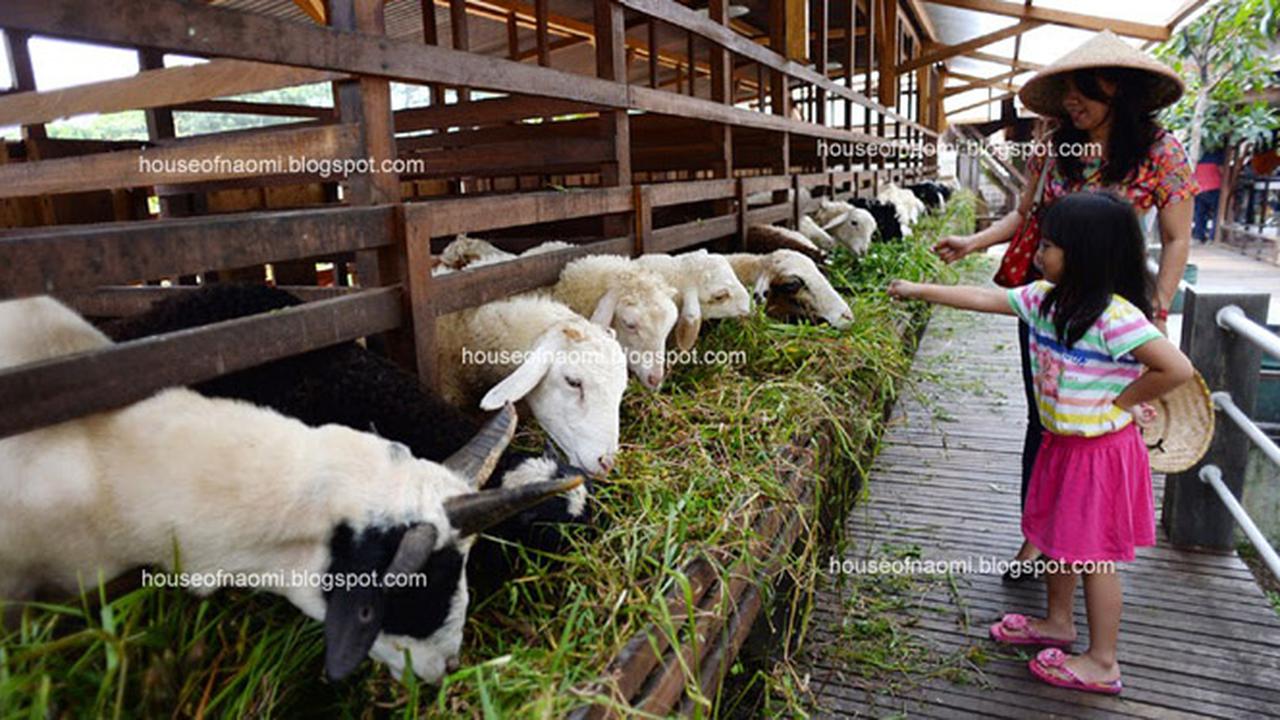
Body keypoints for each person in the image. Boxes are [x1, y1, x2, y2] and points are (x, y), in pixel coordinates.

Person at [889, 191, 1194, 695]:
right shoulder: (1044, 299)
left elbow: (1176, 368)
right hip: (1061, 444)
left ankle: (1103, 661)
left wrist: (1122, 402)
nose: (1037, 253)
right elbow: (986, 299)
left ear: (1085, 253)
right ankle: (1057, 622)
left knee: (1093, 557)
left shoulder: (1116, 317)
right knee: (1056, 536)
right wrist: (918, 290)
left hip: (1098, 454)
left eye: (1049, 245)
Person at [932, 31, 1196, 576]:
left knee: (1106, 423)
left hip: (1117, 311)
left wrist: (1159, 307)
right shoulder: (1055, 147)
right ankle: (1038, 537)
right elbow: (1025, 216)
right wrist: (974, 243)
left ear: (1116, 90)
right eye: (1066, 93)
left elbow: (1175, 239)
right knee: (1047, 417)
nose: (1070, 103)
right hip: (1052, 303)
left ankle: (1094, 540)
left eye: (1083, 92)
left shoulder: (1161, 151)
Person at [1193, 149, 1223, 243]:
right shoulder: (1219, 156)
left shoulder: (1200, 156)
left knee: (1200, 213)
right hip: (1214, 187)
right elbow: (1222, 171)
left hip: (1199, 187)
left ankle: (1199, 236)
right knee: (1217, 213)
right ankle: (1213, 237)